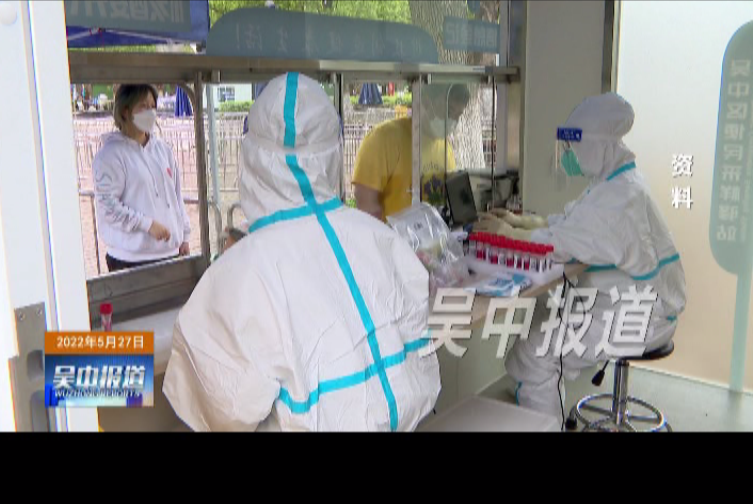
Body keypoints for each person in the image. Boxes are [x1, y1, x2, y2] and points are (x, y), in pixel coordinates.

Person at [163, 72, 441, 431]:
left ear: (252, 160)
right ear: (333, 156)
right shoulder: (382, 240)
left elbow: (220, 409)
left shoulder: (241, 273)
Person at [477, 93, 686, 425]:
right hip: (634, 300)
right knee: (543, 316)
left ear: (596, 147)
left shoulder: (618, 198)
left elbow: (557, 244)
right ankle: (546, 409)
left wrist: (505, 232)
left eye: (573, 147)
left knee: (536, 354)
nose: (568, 155)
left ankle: (546, 422)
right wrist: (519, 223)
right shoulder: (616, 182)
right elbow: (569, 224)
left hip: (641, 315)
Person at [92, 84, 191, 272]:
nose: (150, 112)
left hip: (170, 252)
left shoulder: (163, 151)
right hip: (130, 258)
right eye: (143, 106)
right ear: (125, 111)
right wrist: (146, 224)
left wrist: (184, 235)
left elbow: (176, 196)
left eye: (153, 106)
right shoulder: (110, 155)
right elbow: (108, 207)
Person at [352, 84, 470, 221]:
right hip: (391, 233)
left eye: (458, 116)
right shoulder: (382, 139)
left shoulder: (445, 148)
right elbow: (367, 207)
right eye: (449, 111)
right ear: (426, 101)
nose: (452, 121)